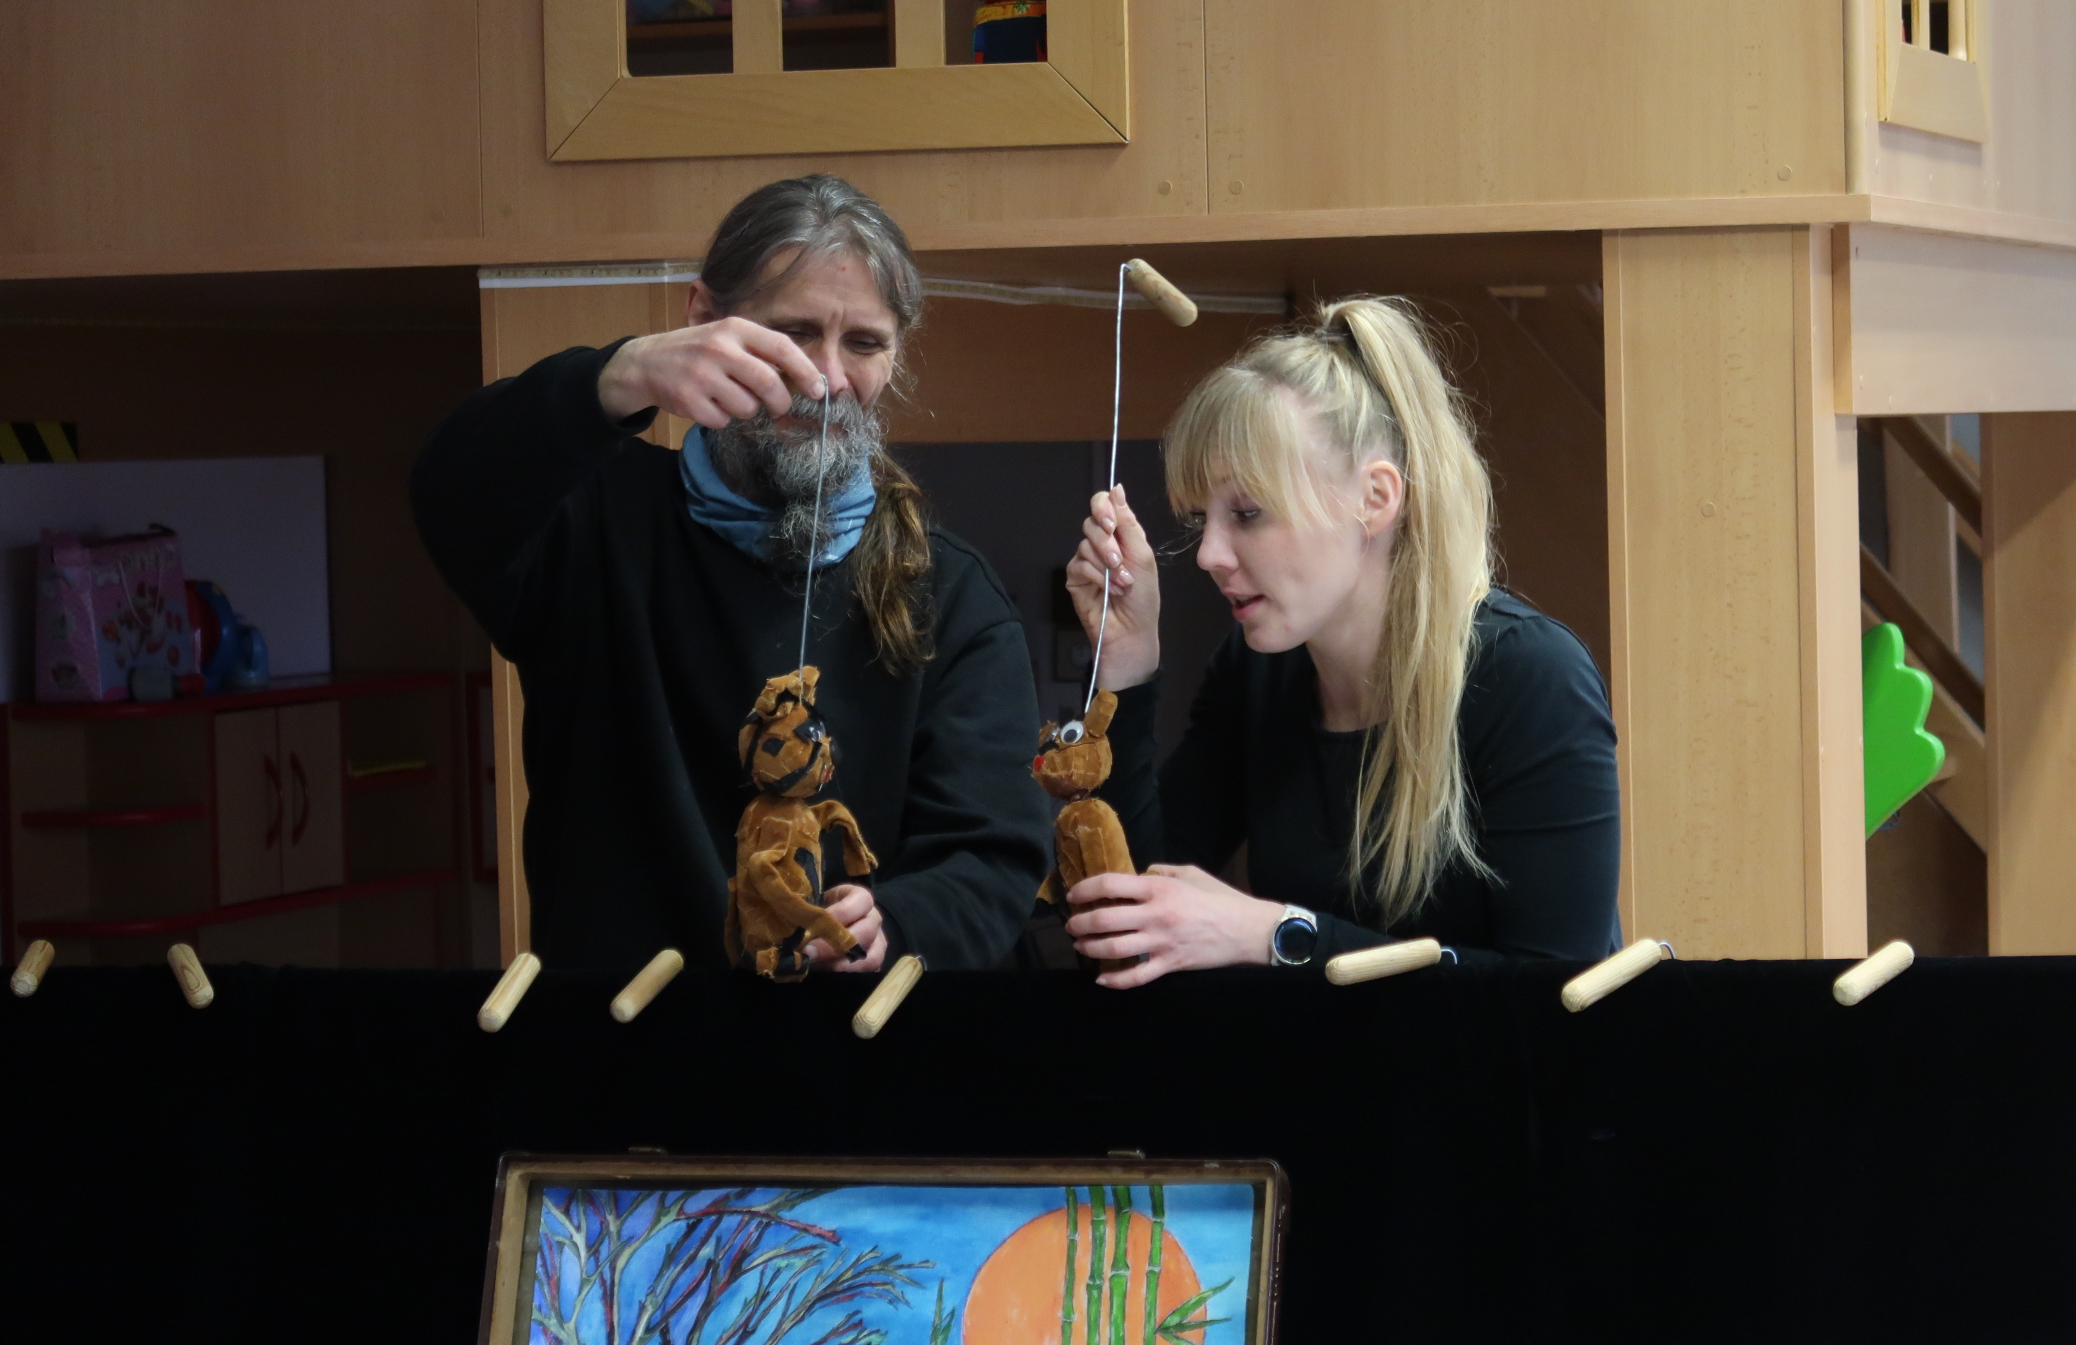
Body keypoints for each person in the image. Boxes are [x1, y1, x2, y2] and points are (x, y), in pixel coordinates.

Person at [414, 176, 1050, 973]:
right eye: (793, 333)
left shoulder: (951, 593)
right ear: (702, 319)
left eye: (864, 343)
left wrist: (898, 923)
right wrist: (617, 374)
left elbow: (993, 857)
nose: (826, 380)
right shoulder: (588, 523)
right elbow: (449, 490)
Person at [1060, 296, 1620, 987]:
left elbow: (1558, 994)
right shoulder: (1254, 671)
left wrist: (1278, 935)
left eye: (1248, 513)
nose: (1208, 555)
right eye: (1204, 519)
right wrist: (1126, 666)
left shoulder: (1530, 677)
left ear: (1375, 499)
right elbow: (1132, 923)